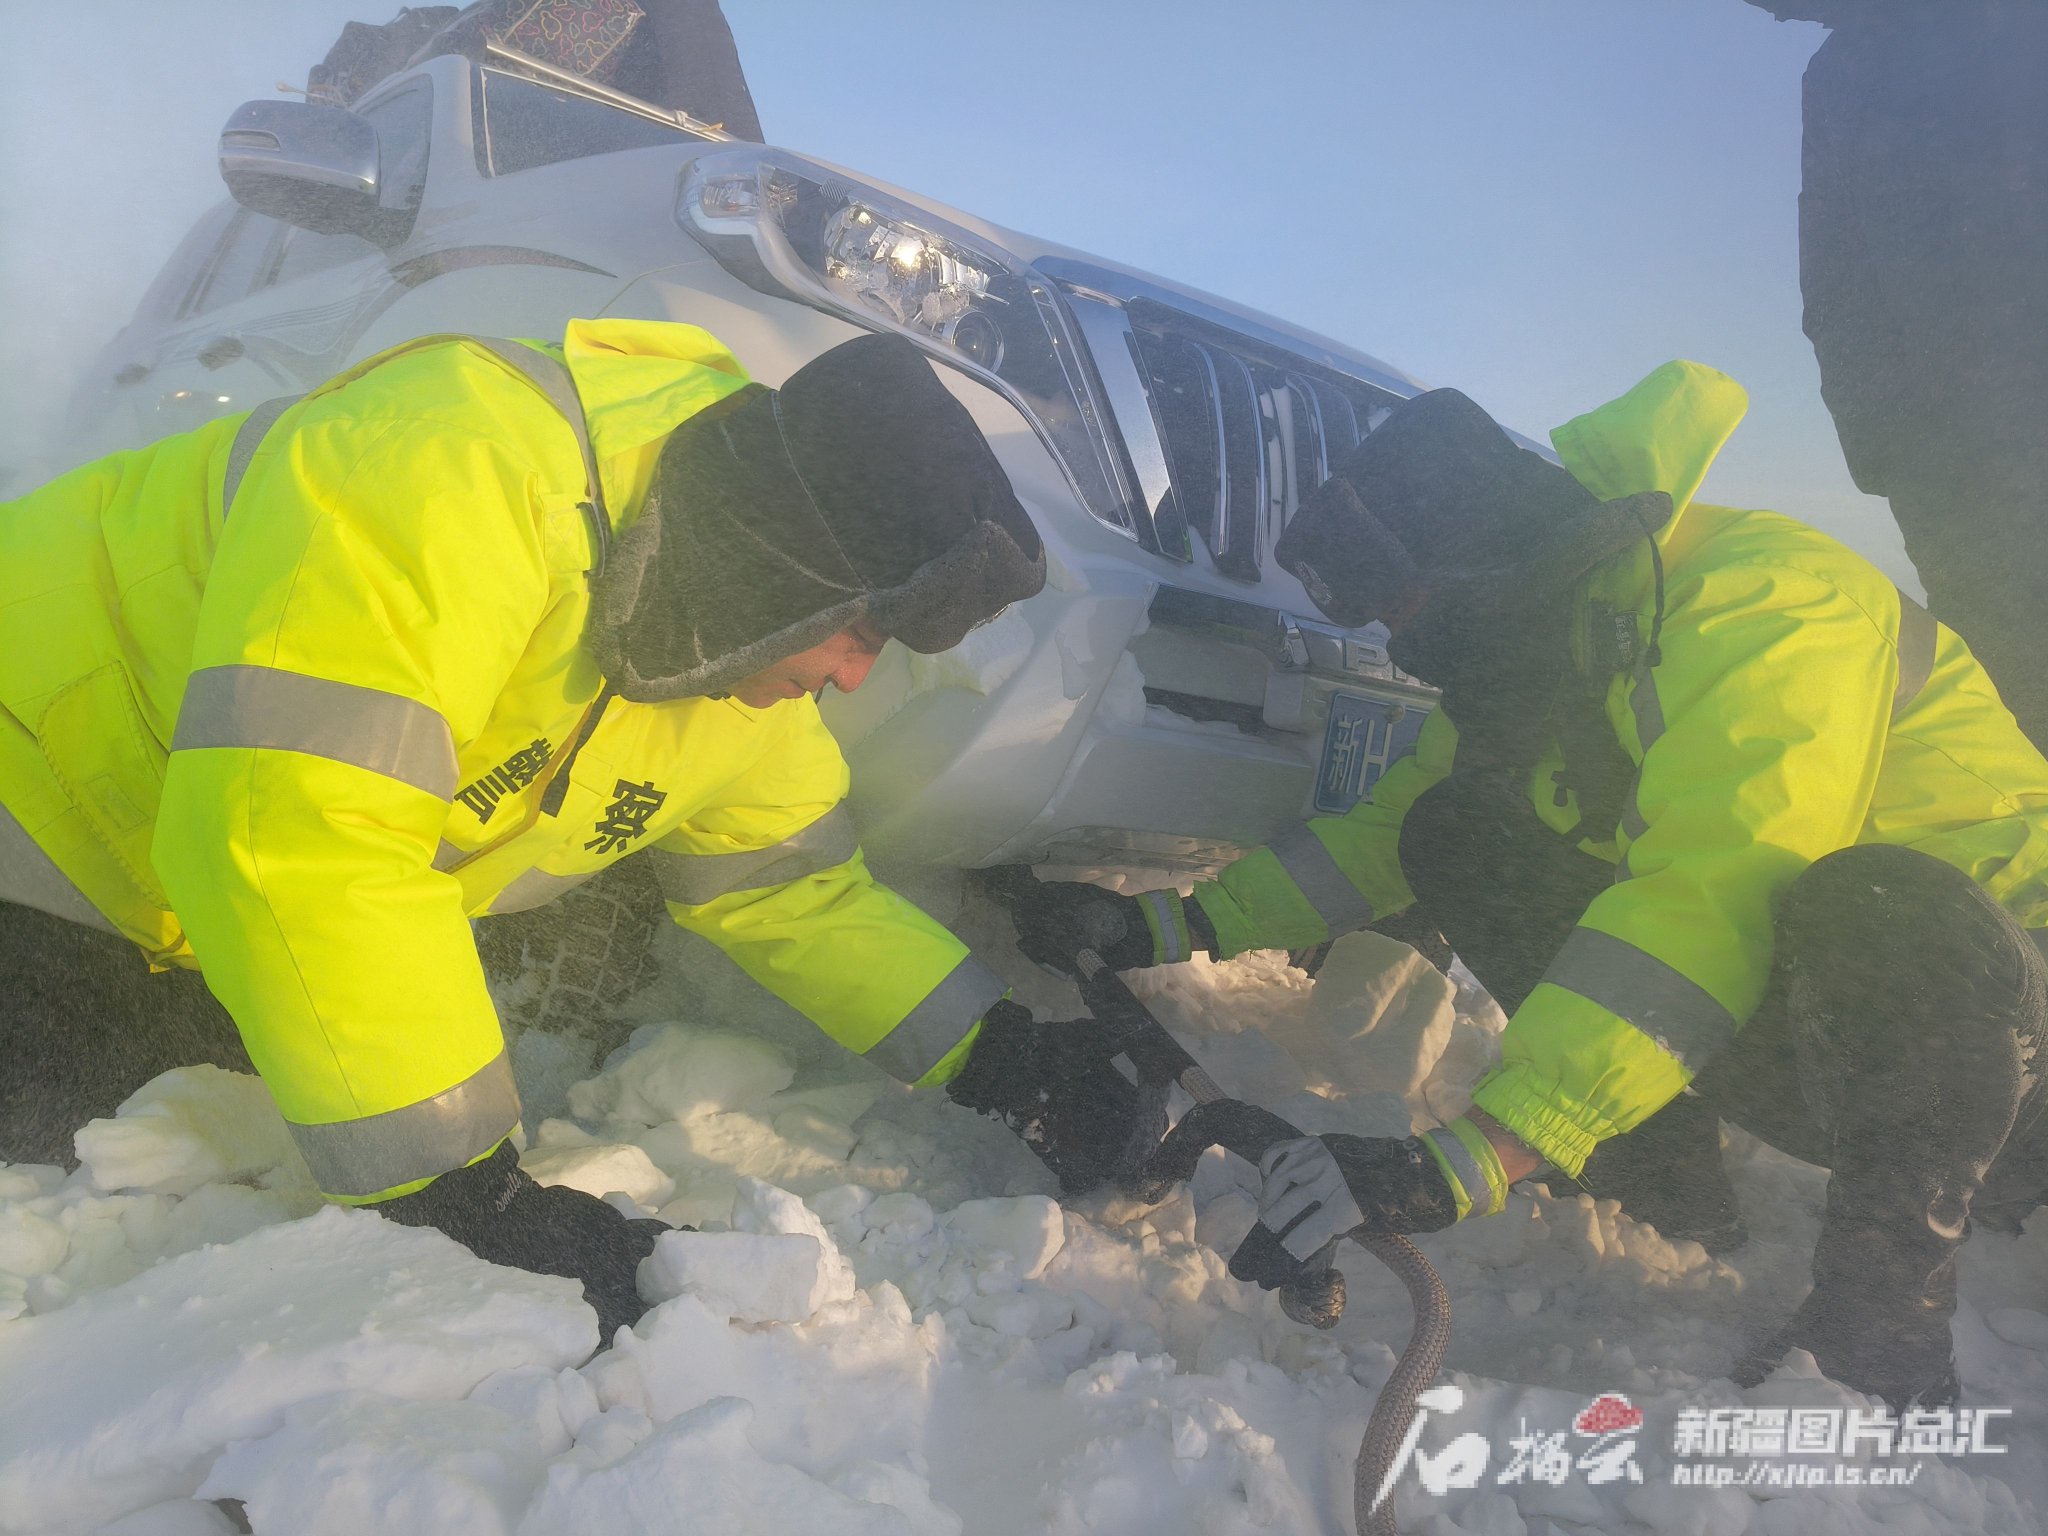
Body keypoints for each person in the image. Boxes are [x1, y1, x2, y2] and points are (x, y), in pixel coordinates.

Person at [0, 320, 1153, 1337]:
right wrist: (462, 1193)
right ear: (783, 574)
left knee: (171, 1145)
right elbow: (303, 827)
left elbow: (789, 890)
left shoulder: (733, 671)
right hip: (28, 798)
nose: (854, 679)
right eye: (860, 634)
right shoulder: (451, 460)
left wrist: (1007, 1059)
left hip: (164, 894)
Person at [1009, 361, 2048, 1411]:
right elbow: (1376, 835)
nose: (1407, 645)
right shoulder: (1553, 633)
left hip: (2006, 1062)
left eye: (1414, 611)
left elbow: (1714, 889)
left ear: (1487, 566)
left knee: (1882, 904)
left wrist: (1484, 1152)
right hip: (1848, 1054)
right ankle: (1660, 1181)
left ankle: (1875, 1332)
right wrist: (1169, 921)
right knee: (1455, 830)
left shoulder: (1771, 599)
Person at [1745, 0, 2048, 753]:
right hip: (1948, 466)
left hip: (1993, 433)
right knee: (2015, 703)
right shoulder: (1841, 71)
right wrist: (1891, 452)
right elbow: (1836, 275)